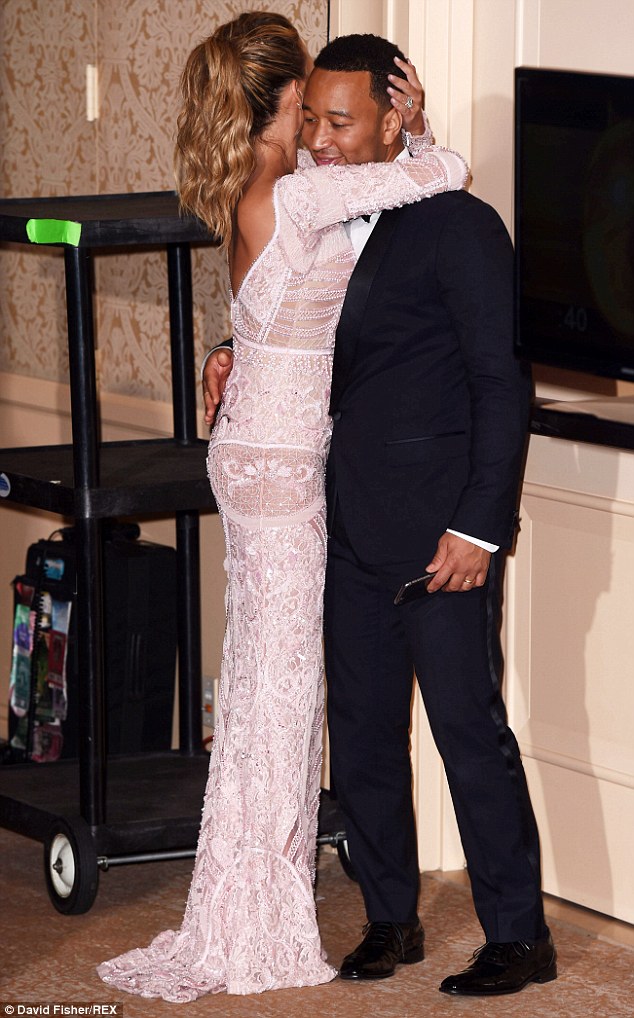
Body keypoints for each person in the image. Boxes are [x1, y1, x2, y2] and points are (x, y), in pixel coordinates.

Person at [97, 13, 467, 1001]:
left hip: (255, 455)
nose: (320, 112)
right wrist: (415, 128)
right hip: (283, 473)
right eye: (309, 90)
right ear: (285, 96)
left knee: (269, 685)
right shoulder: (298, 192)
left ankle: (247, 899)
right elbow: (443, 173)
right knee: (284, 691)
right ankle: (254, 915)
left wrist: (225, 354)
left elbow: (272, 311)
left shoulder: (258, 187)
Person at [203, 32, 558, 999]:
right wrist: (230, 352)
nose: (318, 139)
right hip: (341, 523)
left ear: (394, 119)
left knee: (467, 732)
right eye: (310, 119)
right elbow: (292, 325)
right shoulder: (319, 210)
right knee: (361, 736)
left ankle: (519, 936)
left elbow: (501, 384)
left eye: (339, 121)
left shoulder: (462, 226)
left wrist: (479, 528)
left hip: (441, 534)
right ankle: (391, 919)